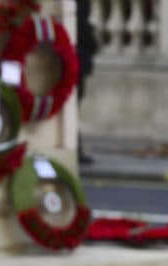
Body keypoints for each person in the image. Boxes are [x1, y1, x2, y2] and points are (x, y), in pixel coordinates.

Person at [76, 0, 99, 165]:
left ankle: (77, 148)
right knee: (73, 107)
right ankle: (76, 149)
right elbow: (82, 28)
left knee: (74, 108)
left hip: (78, 60)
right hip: (76, 60)